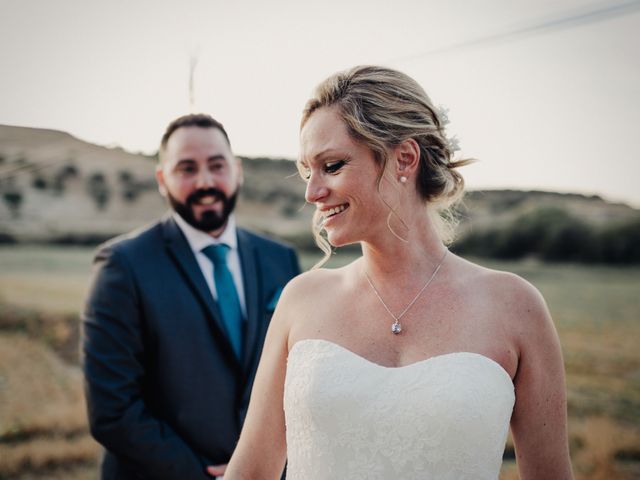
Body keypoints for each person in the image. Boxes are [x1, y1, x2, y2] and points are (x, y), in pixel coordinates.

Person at [224, 66, 574, 479]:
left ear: (404, 159)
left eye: (332, 166)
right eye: (307, 171)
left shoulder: (515, 306)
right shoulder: (302, 299)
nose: (312, 192)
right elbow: (249, 473)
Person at [82, 113, 300, 479]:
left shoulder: (279, 259)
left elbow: (294, 378)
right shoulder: (121, 266)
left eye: (217, 166)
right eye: (186, 168)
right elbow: (113, 409)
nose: (205, 181)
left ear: (238, 170)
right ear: (162, 179)